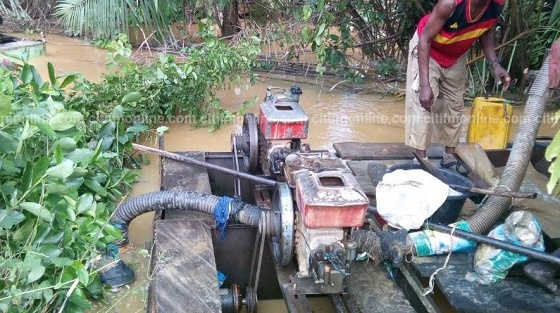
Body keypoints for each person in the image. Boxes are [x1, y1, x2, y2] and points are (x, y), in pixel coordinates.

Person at [405, 0, 511, 170]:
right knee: (424, 103)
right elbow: (424, 40)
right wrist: (425, 85)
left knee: (455, 104)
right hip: (428, 49)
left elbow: (486, 30)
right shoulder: (450, 4)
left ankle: (449, 156)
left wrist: (495, 63)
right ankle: (421, 160)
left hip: (455, 55)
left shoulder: (496, 5)